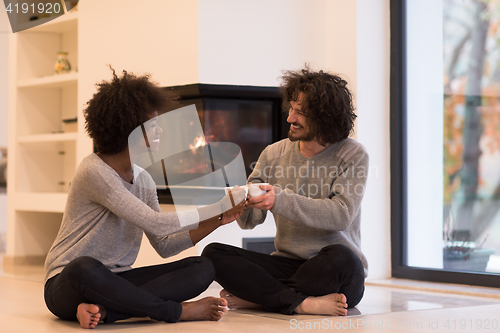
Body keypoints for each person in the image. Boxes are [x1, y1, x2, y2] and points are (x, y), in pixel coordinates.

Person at [43, 68, 246, 329]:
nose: (160, 129)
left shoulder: (144, 180)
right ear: (130, 130)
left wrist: (219, 219)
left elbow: (164, 245)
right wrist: (217, 205)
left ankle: (106, 312)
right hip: (68, 283)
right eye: (153, 125)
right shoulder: (94, 172)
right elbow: (156, 223)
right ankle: (175, 312)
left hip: (118, 282)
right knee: (85, 267)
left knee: (202, 267)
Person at [202, 67, 369, 317]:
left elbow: (341, 215)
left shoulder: (352, 155)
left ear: (325, 116)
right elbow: (251, 222)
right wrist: (239, 201)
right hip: (288, 265)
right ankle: (299, 303)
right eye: (291, 108)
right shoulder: (274, 153)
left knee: (343, 257)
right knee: (213, 253)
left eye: (300, 112)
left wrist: (278, 199)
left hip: (334, 270)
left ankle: (263, 299)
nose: (290, 118)